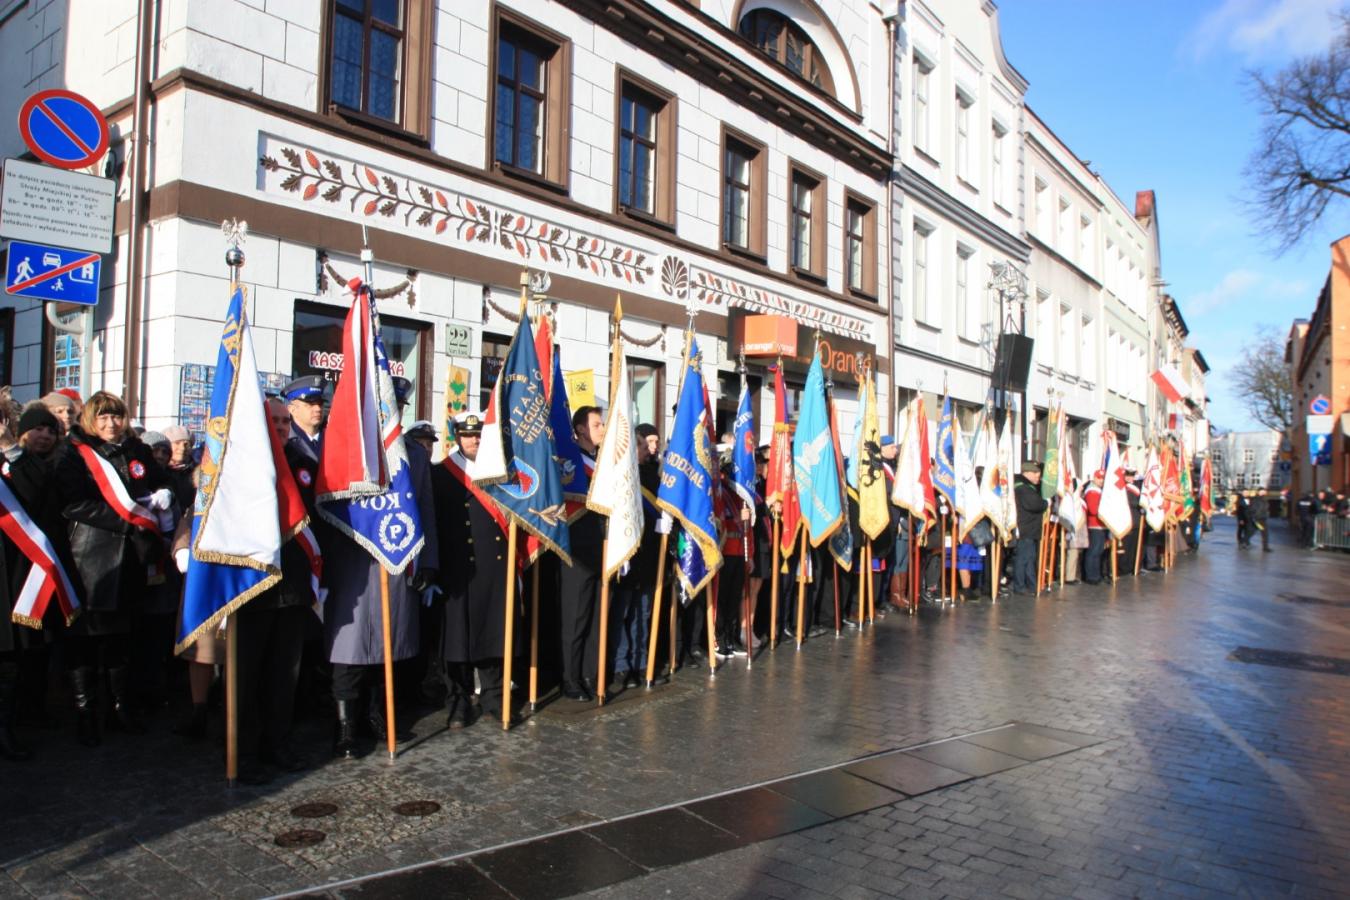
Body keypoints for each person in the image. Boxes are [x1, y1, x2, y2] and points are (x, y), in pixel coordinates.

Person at [323, 375, 438, 758]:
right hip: (354, 565)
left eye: (398, 407)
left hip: (397, 562)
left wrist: (428, 562)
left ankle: (378, 716)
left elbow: (425, 509)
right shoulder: (348, 449)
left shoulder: (414, 454)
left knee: (388, 648)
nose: (394, 413)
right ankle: (345, 727)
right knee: (349, 650)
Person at [55, 391, 171, 746]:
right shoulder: (74, 452)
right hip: (91, 556)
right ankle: (85, 712)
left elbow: (157, 478)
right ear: (91, 419)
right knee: (87, 640)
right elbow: (73, 503)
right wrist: (126, 520)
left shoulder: (135, 449)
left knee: (123, 638)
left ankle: (120, 708)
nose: (110, 423)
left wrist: (163, 492)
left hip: (133, 556)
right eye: (103, 417)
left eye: (116, 416)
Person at [433, 414, 510, 728]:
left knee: (492, 635)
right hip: (457, 567)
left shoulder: (499, 472)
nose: (474, 440)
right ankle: (459, 701)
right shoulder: (441, 473)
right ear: (457, 438)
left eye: (478, 435)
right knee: (457, 641)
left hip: (493, 566)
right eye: (467, 435)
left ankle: (494, 697)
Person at [558, 406, 605, 701]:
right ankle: (570, 677)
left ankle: (590, 673)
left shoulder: (602, 461)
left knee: (596, 618)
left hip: (602, 549)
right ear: (581, 429)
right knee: (575, 619)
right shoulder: (572, 462)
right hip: (577, 550)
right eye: (597, 424)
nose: (602, 429)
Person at [1012, 461, 1047, 594]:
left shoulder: (1027, 487)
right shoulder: (1023, 488)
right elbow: (1034, 505)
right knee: (1023, 559)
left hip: (1030, 528)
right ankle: (1019, 585)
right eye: (1035, 473)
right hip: (1026, 528)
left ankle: (1032, 584)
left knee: (1030, 558)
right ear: (1026, 473)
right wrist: (1045, 503)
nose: (1038, 476)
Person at [285, 375, 326, 463]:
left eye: (320, 403)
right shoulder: (284, 440)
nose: (318, 409)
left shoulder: (332, 439)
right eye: (310, 404)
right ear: (292, 410)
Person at [1082, 470, 1107, 584]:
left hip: (1101, 525)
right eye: (1099, 478)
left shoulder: (1099, 491)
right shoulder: (1092, 491)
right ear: (1094, 478)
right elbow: (1093, 509)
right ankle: (1091, 576)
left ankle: (1096, 575)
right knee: (1094, 551)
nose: (1101, 480)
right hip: (1095, 525)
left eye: (1103, 478)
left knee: (1098, 551)